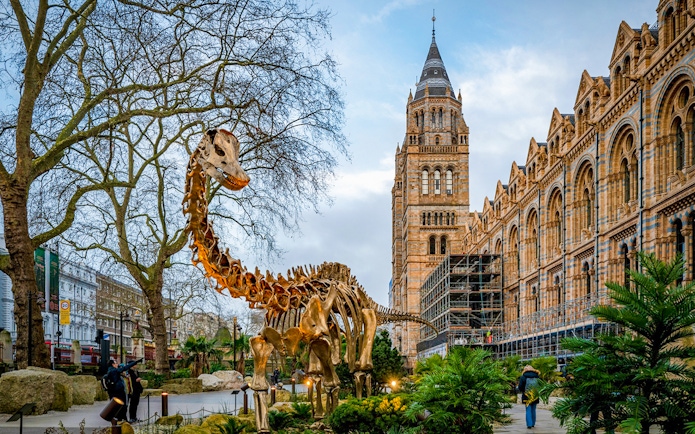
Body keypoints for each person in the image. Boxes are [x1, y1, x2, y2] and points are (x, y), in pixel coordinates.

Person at [518, 365, 541, 429]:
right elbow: (540, 385)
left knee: (528, 409)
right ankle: (533, 423)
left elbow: (520, 387)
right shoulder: (537, 376)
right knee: (533, 409)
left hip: (527, 395)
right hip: (535, 395)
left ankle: (529, 424)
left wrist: (524, 391)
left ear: (525, 370)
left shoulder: (523, 377)